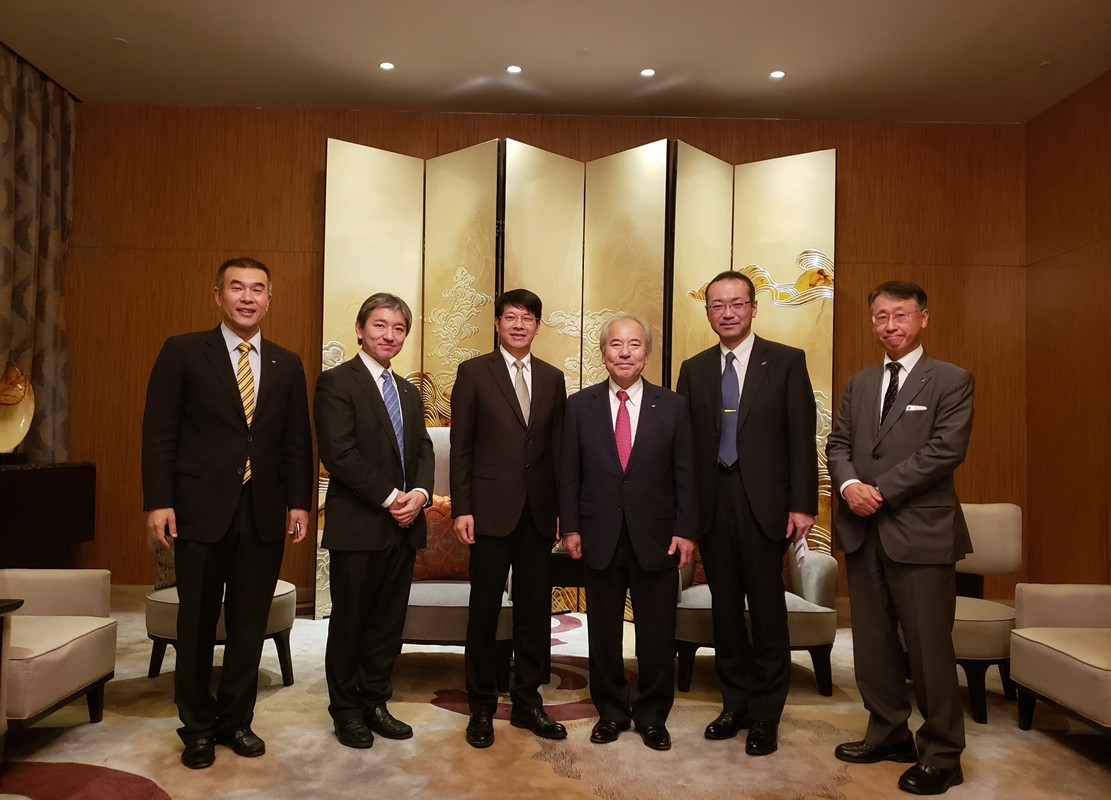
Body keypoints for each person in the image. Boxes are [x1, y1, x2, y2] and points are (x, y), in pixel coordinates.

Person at [142, 257, 313, 769]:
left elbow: (297, 441)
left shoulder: (286, 363)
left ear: (269, 300)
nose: (247, 297)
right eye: (237, 287)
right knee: (195, 623)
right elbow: (159, 432)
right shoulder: (183, 351)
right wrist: (158, 501)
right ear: (218, 295)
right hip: (198, 510)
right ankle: (196, 726)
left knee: (248, 623)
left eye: (257, 289)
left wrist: (299, 502)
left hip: (262, 512)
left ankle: (237, 720)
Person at [827, 281, 973, 796]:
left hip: (921, 532)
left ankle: (943, 754)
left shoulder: (951, 379)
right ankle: (888, 732)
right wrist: (849, 486)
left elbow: (945, 450)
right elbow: (838, 443)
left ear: (923, 318)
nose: (889, 325)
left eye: (900, 315)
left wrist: (880, 491)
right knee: (872, 644)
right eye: (880, 317)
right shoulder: (859, 383)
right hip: (862, 532)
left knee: (929, 649)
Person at [675, 270, 817, 756]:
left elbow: (801, 436)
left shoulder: (786, 361)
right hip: (713, 502)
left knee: (767, 610)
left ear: (754, 308)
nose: (728, 312)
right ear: (708, 312)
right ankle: (734, 703)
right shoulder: (693, 369)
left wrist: (803, 503)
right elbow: (686, 448)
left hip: (766, 504)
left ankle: (766, 713)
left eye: (737, 303)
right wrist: (685, 513)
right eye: (717, 305)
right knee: (725, 612)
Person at [559, 313, 697, 751]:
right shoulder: (579, 406)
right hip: (598, 534)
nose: (624, 352)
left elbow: (687, 474)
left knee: (657, 632)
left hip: (657, 536)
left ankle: (653, 715)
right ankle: (612, 713)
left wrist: (686, 530)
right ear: (603, 353)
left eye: (634, 344)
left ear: (647, 354)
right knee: (602, 632)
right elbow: (569, 473)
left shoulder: (673, 406)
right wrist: (570, 527)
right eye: (615, 345)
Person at [313, 293, 435, 749]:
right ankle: (346, 711)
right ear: (360, 329)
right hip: (359, 524)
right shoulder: (336, 382)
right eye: (380, 325)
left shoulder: (408, 390)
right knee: (350, 623)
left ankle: (376, 701)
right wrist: (391, 498)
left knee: (387, 624)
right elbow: (339, 453)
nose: (390, 335)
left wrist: (419, 495)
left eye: (399, 328)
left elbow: (422, 449)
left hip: (404, 526)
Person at [450, 289, 568, 748]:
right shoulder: (474, 372)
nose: (519, 325)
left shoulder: (553, 377)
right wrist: (463, 507)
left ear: (538, 326)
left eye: (528, 318)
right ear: (497, 323)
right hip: (489, 512)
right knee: (483, 612)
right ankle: (480, 705)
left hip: (538, 513)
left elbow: (557, 451)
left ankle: (527, 703)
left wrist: (560, 512)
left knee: (535, 613)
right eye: (511, 317)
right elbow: (461, 445)